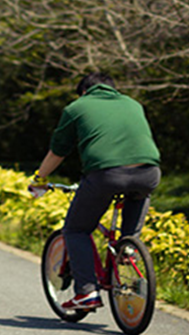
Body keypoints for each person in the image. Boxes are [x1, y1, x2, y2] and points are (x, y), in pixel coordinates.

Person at [29, 73, 161, 311]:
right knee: (139, 194)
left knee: (76, 229)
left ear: (83, 92)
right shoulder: (133, 104)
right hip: (149, 173)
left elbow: (58, 150)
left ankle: (86, 292)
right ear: (112, 89)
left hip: (106, 176)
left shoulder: (77, 107)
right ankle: (129, 246)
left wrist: (39, 179)